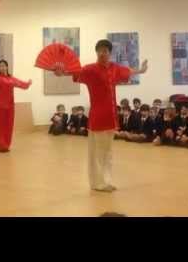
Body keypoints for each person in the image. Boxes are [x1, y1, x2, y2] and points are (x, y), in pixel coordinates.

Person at [55, 39, 148, 192]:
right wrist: (61, 73)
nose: (103, 53)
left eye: (106, 50)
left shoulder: (114, 68)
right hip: (98, 116)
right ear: (96, 52)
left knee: (108, 152)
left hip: (111, 117)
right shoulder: (90, 69)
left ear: (110, 53)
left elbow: (128, 71)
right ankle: (98, 183)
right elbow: (74, 72)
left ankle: (107, 180)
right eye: (100, 50)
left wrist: (141, 71)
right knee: (97, 152)